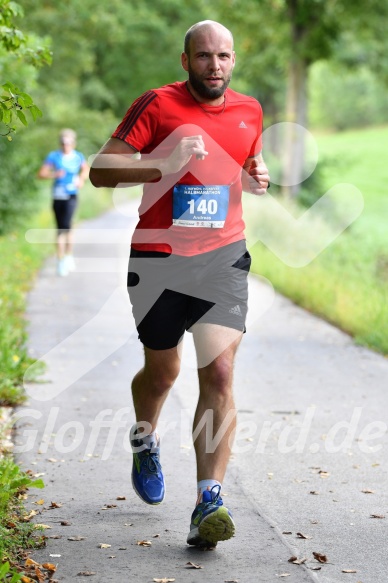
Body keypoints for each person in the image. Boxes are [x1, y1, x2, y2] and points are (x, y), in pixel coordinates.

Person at [90, 20, 270, 547]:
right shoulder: (156, 105)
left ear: (233, 60)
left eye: (224, 57)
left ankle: (208, 499)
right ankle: (145, 440)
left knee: (219, 369)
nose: (215, 66)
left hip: (223, 258)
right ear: (184, 59)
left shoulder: (250, 110)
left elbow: (237, 166)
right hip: (159, 259)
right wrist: (163, 163)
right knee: (163, 370)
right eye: (204, 56)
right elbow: (102, 170)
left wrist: (252, 178)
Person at [38, 129, 89, 276]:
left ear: (73, 143)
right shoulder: (53, 156)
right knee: (61, 228)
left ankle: (67, 256)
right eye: (62, 142)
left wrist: (81, 179)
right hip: (57, 196)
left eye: (68, 142)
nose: (65, 145)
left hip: (72, 195)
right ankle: (61, 260)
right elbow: (41, 174)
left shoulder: (78, 156)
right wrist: (54, 174)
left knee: (67, 226)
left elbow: (85, 170)